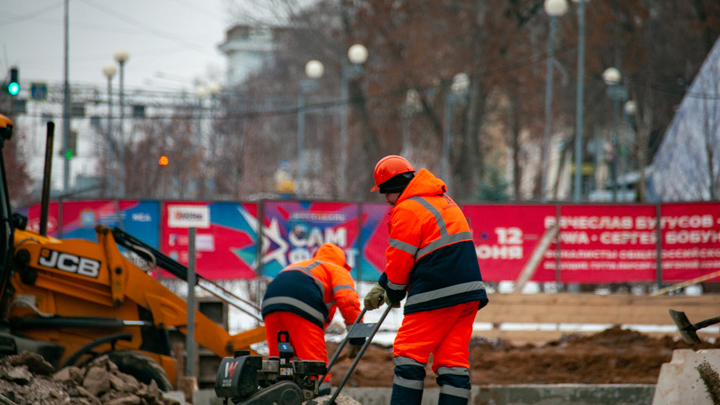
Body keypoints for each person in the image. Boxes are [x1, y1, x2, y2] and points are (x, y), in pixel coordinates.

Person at [364, 155, 488, 405]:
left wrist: (394, 290)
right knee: (453, 362)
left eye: (385, 194)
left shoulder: (407, 209)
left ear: (392, 188)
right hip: (468, 293)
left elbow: (401, 260)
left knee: (408, 354)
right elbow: (423, 249)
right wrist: (383, 282)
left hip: (437, 291)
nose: (386, 201)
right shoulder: (442, 200)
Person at [261, 242, 363, 395]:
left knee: (280, 365)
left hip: (270, 304)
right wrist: (357, 336)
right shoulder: (336, 268)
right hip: (303, 304)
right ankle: (321, 398)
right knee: (315, 367)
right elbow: (348, 299)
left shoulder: (300, 265)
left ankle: (277, 397)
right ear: (342, 261)